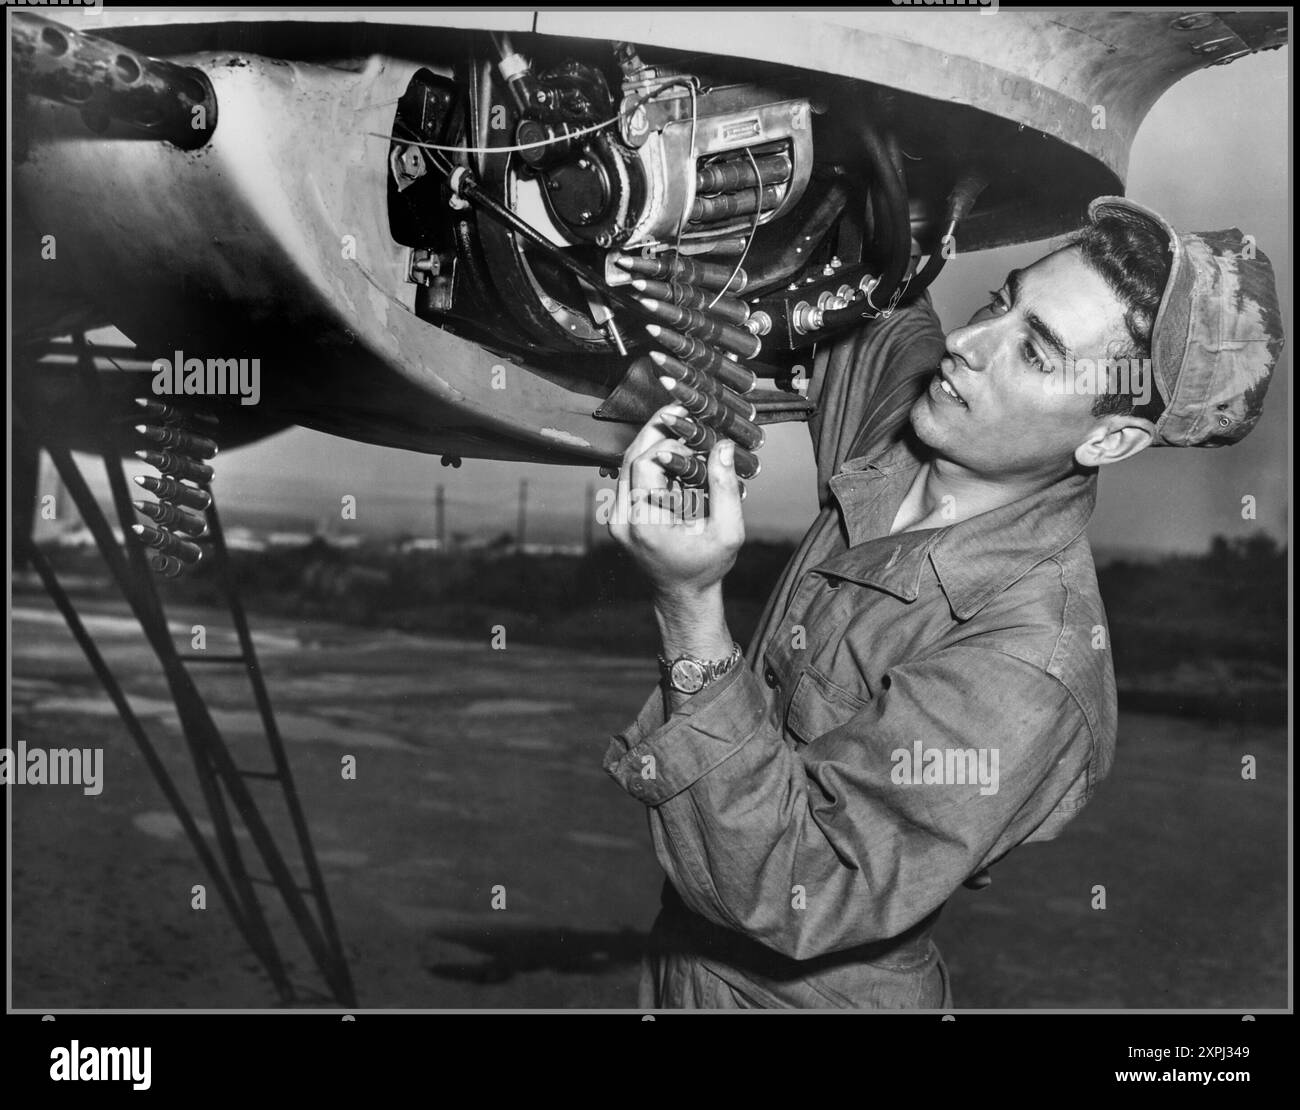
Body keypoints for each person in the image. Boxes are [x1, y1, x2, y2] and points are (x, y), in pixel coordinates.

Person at [603, 196, 1284, 1009]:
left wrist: (689, 607)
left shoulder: (1029, 665)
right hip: (681, 959)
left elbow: (791, 885)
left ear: (1110, 439)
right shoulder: (915, 413)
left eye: (1034, 353)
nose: (966, 344)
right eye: (1002, 300)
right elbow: (867, 262)